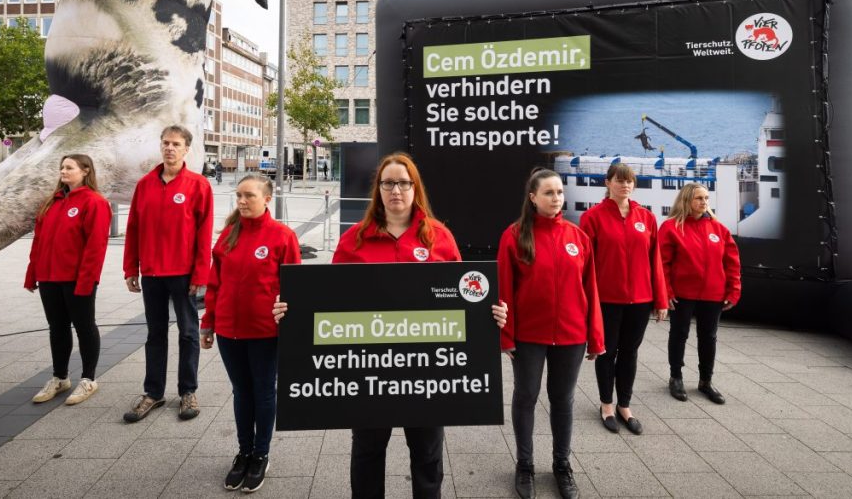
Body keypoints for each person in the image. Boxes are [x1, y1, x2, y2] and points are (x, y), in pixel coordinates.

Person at [273, 152, 506, 499]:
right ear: (378, 189)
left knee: (428, 457)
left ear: (415, 188)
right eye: (388, 183)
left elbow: (465, 300)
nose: (395, 190)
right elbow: (327, 300)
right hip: (370, 374)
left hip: (429, 373)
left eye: (403, 182)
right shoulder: (354, 240)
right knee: (367, 454)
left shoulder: (439, 238)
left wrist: (491, 315)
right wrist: (292, 312)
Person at [498, 168, 604, 499]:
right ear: (533, 198)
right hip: (529, 336)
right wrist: (506, 337)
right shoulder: (514, 236)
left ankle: (562, 466)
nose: (556, 198)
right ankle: (525, 466)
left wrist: (596, 336)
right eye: (548, 193)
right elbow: (504, 290)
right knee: (526, 397)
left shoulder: (578, 237)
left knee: (563, 401)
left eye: (559, 192)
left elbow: (591, 289)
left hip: (572, 336)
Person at [200, 174, 300, 492]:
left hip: (265, 332)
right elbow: (215, 285)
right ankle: (243, 453)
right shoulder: (229, 235)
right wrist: (208, 322)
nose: (242, 201)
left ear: (267, 199)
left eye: (249, 196)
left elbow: (294, 289)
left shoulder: (282, 237)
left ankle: (261, 454)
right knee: (242, 392)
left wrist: (292, 326)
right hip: (229, 331)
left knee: (264, 392)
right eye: (239, 195)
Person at [123, 125, 214, 422]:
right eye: (165, 143)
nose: (169, 148)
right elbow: (133, 228)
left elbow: (204, 233)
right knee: (155, 333)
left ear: (187, 148)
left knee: (188, 333)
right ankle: (153, 392)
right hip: (151, 272)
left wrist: (202, 274)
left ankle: (188, 390)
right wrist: (130, 267)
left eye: (176, 144)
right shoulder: (145, 184)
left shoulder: (198, 185)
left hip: (184, 273)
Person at [579, 163, 668, 436]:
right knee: (607, 352)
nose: (625, 185)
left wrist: (661, 299)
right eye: (619, 181)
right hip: (606, 299)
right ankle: (606, 405)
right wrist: (586, 301)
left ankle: (624, 405)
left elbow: (656, 261)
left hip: (640, 299)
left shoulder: (647, 218)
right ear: (607, 183)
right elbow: (586, 264)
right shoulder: (592, 218)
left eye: (629, 181)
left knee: (630, 352)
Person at [25, 155, 111, 406]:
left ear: (85, 171)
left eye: (69, 167)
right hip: (49, 277)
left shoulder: (95, 202)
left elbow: (96, 247)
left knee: (85, 327)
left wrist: (87, 280)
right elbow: (38, 242)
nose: (63, 171)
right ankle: (60, 377)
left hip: (77, 279)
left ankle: (88, 378)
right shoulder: (51, 202)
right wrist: (33, 273)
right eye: (62, 167)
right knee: (57, 328)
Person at [659, 183, 741, 405]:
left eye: (706, 198)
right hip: (682, 294)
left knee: (708, 338)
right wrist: (666, 291)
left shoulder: (719, 229)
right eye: (698, 198)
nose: (704, 202)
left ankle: (706, 381)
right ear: (686, 201)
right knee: (679, 335)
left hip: (713, 294)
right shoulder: (671, 228)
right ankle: (676, 377)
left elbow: (732, 262)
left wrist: (733, 291)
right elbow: (663, 263)